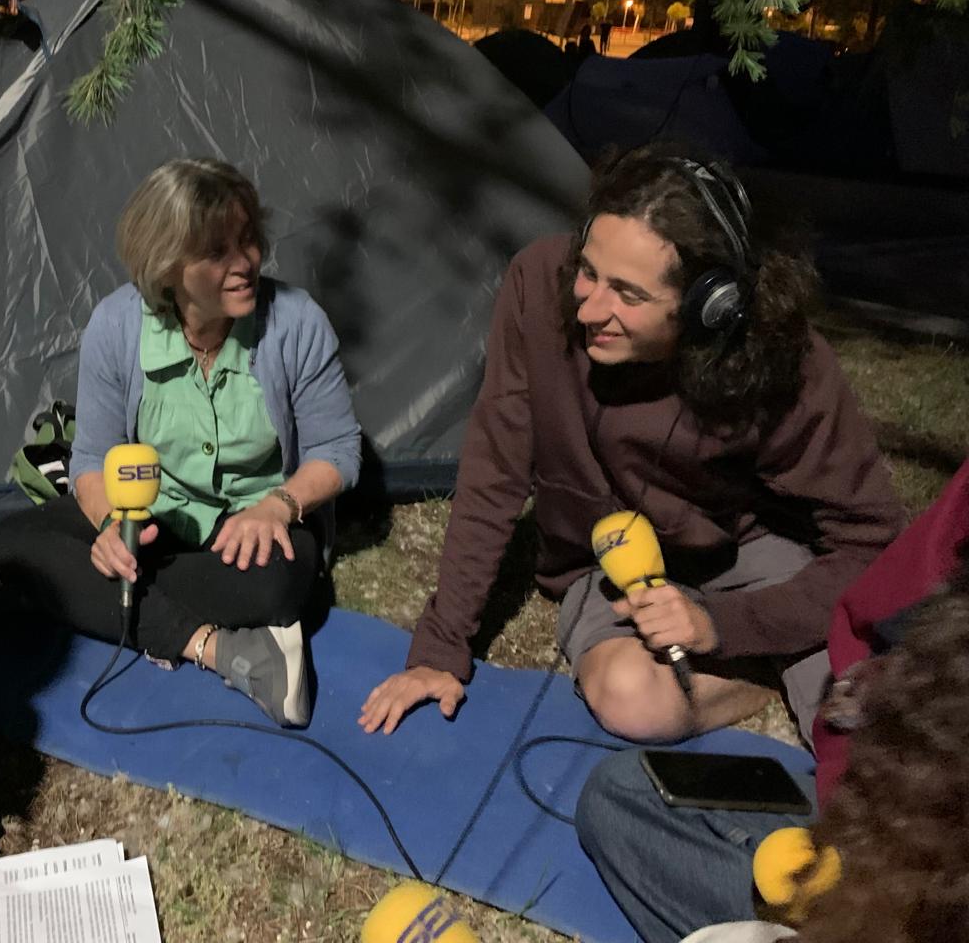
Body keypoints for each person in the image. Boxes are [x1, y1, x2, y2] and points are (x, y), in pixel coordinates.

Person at [360, 148, 905, 746]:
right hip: (607, 561)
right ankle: (758, 678)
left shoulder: (784, 361)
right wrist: (440, 650)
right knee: (632, 701)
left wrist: (725, 625)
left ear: (709, 307)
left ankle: (772, 657)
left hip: (746, 555)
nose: (589, 307)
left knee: (868, 724)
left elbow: (871, 543)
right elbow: (494, 472)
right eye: (588, 271)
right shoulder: (539, 285)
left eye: (628, 294)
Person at [0, 158, 361, 727]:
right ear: (166, 268)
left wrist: (277, 506)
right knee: (13, 539)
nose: (244, 264)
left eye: (249, 240)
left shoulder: (296, 323)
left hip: (250, 544)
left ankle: (59, 587)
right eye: (216, 253)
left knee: (282, 585)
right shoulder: (116, 327)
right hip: (152, 529)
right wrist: (109, 528)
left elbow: (338, 451)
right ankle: (219, 649)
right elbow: (91, 460)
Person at [574, 456, 969, 943]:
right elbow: (871, 623)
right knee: (624, 791)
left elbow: (864, 543)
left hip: (915, 875)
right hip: (886, 821)